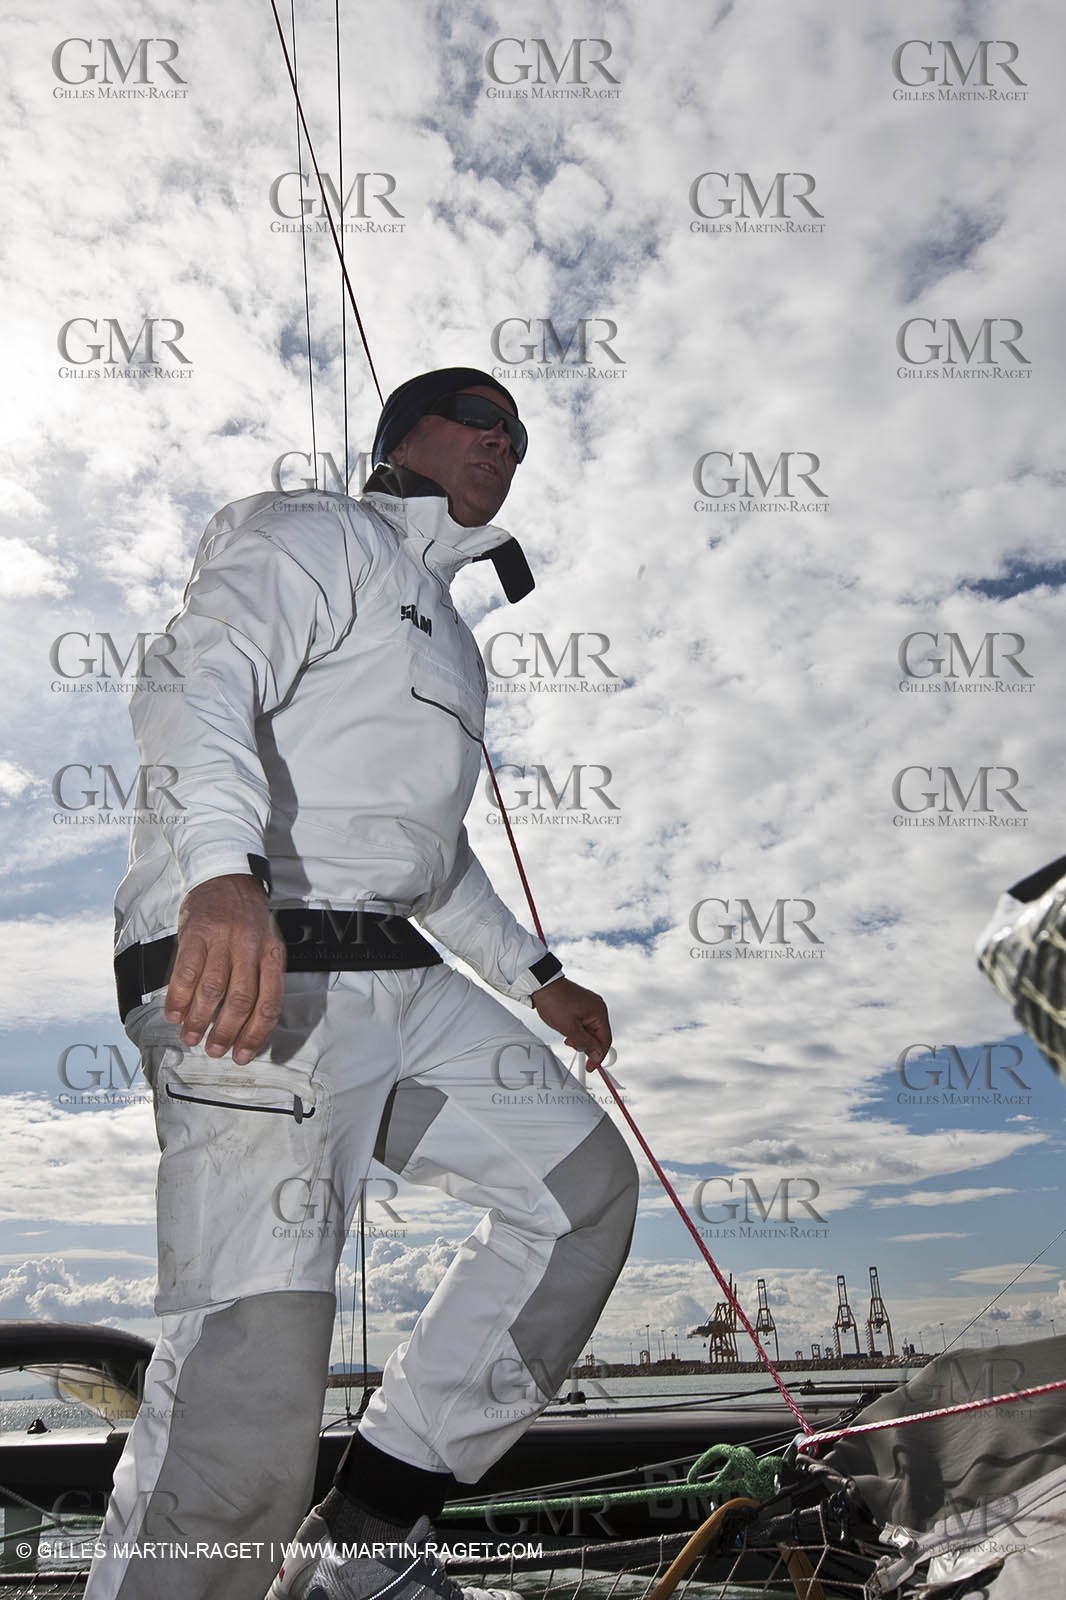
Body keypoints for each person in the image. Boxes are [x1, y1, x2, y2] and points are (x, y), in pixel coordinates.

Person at [86, 368, 639, 1600]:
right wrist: (217, 874)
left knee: (582, 1195)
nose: (507, 443)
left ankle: (372, 1527)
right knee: (252, 1376)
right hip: (252, 954)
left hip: (396, 964)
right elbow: (193, 678)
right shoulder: (312, 529)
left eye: (521, 434)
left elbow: (429, 858)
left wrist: (538, 978)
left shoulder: (444, 629)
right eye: (479, 420)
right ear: (403, 438)